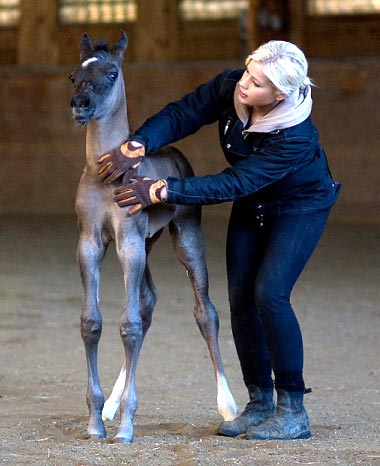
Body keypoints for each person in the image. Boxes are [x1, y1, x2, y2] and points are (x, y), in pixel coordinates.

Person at [97, 40, 341, 440]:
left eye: (258, 83)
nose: (245, 85)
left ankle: (293, 410)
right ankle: (259, 402)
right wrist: (140, 142)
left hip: (299, 206)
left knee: (271, 293)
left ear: (279, 94)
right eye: (247, 72)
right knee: (240, 298)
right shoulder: (233, 86)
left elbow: (235, 180)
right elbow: (187, 112)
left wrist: (162, 190)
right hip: (253, 201)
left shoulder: (295, 135)